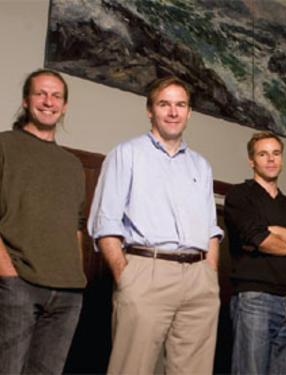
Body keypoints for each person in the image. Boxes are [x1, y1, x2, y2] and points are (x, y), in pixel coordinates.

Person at [88, 76, 223, 374]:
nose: (173, 112)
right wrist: (127, 276)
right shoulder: (127, 153)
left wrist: (209, 273)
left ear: (189, 113)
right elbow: (105, 222)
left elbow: (211, 228)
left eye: (180, 105)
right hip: (146, 272)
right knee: (132, 369)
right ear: (150, 110)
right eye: (164, 104)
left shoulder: (201, 165)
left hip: (199, 279)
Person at [0, 69, 86, 374]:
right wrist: (8, 273)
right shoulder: (5, 145)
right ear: (26, 100)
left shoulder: (72, 165)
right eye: (41, 94)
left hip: (67, 292)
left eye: (56, 96)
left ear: (64, 106)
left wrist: (76, 274)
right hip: (18, 284)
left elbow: (77, 225)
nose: (48, 101)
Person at [224, 131, 286, 375]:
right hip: (254, 300)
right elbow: (261, 240)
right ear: (252, 161)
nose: (270, 159)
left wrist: (276, 231)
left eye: (276, 153)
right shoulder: (240, 196)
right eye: (263, 154)